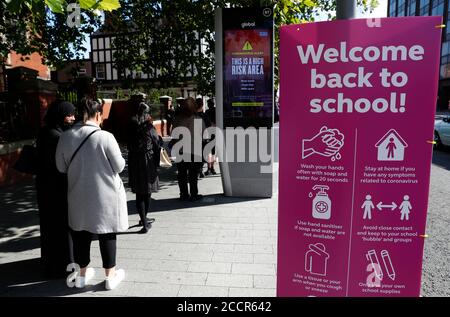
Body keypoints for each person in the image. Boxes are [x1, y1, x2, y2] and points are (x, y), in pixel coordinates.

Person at [55, 98, 128, 290]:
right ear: (97, 115)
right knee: (107, 234)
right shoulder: (105, 137)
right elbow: (119, 166)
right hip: (106, 196)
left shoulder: (65, 136)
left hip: (78, 194)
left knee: (81, 234)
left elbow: (60, 167)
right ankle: (110, 276)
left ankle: (81, 275)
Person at [36, 100, 76, 278]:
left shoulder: (46, 131)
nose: (73, 118)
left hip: (45, 187)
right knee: (61, 226)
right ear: (60, 115)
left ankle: (51, 263)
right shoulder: (57, 136)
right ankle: (63, 265)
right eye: (69, 115)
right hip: (57, 188)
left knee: (49, 226)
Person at [127, 102, 160, 233]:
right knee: (147, 191)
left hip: (134, 159)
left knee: (139, 193)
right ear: (146, 114)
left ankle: (143, 220)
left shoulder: (131, 126)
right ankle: (145, 221)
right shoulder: (149, 127)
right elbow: (156, 143)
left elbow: (127, 143)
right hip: (147, 160)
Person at [171, 97, 205, 202]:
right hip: (194, 150)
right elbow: (203, 135)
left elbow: (173, 134)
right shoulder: (199, 120)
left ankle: (184, 194)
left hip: (180, 150)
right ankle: (194, 194)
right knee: (193, 174)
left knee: (182, 174)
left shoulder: (177, 119)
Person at [204, 99, 217, 175]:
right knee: (213, 152)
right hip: (214, 132)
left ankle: (209, 168)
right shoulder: (216, 111)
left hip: (209, 133)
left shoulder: (207, 112)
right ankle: (212, 168)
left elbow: (206, 123)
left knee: (209, 151)